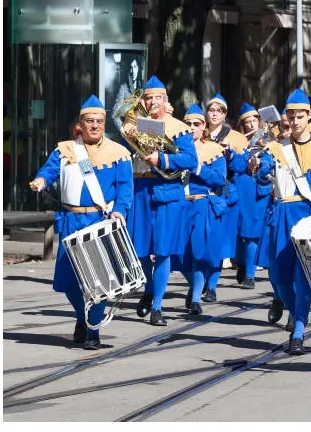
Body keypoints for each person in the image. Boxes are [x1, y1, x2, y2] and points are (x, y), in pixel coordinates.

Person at [29, 95, 133, 349]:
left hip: (98, 221)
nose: (94, 125)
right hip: (70, 220)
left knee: (98, 281)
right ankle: (82, 317)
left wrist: (120, 211)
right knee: (67, 282)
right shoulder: (65, 150)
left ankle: (93, 331)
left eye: (98, 121)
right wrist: (40, 180)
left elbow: (125, 189)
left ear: (104, 123)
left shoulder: (118, 153)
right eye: (89, 121)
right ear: (81, 124)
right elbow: (48, 171)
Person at [253, 89, 311, 353]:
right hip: (281, 216)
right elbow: (262, 177)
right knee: (280, 278)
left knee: (302, 277)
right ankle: (294, 312)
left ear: (310, 116)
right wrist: (256, 165)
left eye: (300, 116)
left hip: (306, 217)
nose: (295, 121)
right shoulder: (275, 148)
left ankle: (298, 332)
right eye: (291, 117)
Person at [123, 76, 198, 326]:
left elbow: (190, 160)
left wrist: (163, 160)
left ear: (167, 101)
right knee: (140, 249)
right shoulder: (136, 125)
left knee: (163, 251)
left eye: (157, 98)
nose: (152, 102)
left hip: (167, 191)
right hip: (141, 189)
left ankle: (157, 306)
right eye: (148, 98)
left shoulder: (178, 127)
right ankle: (149, 289)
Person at [179, 104, 229, 315]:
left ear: (204, 127)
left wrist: (199, 168)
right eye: (188, 124)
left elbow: (220, 179)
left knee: (199, 252)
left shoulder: (214, 150)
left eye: (196, 124)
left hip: (201, 203)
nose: (192, 127)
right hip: (179, 204)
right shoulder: (175, 147)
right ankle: (194, 285)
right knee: (179, 253)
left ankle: (197, 298)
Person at [204, 93, 249, 300]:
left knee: (219, 242)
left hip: (225, 194)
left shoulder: (234, 137)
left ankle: (211, 285)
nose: (214, 114)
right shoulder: (199, 132)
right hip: (200, 192)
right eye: (211, 110)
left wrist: (230, 154)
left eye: (219, 111)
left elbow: (242, 167)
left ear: (225, 115)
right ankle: (198, 282)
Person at [234, 103, 268, 289]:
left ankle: (250, 275)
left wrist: (264, 147)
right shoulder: (239, 140)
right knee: (241, 231)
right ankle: (242, 262)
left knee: (253, 232)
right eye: (248, 122)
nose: (252, 124)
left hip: (259, 188)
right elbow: (237, 166)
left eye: (255, 120)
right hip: (243, 186)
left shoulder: (269, 138)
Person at [111, 57, 142, 133]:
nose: (133, 71)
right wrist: (124, 130)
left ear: (138, 68)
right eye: (130, 68)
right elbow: (114, 115)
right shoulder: (124, 88)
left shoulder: (143, 87)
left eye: (134, 67)